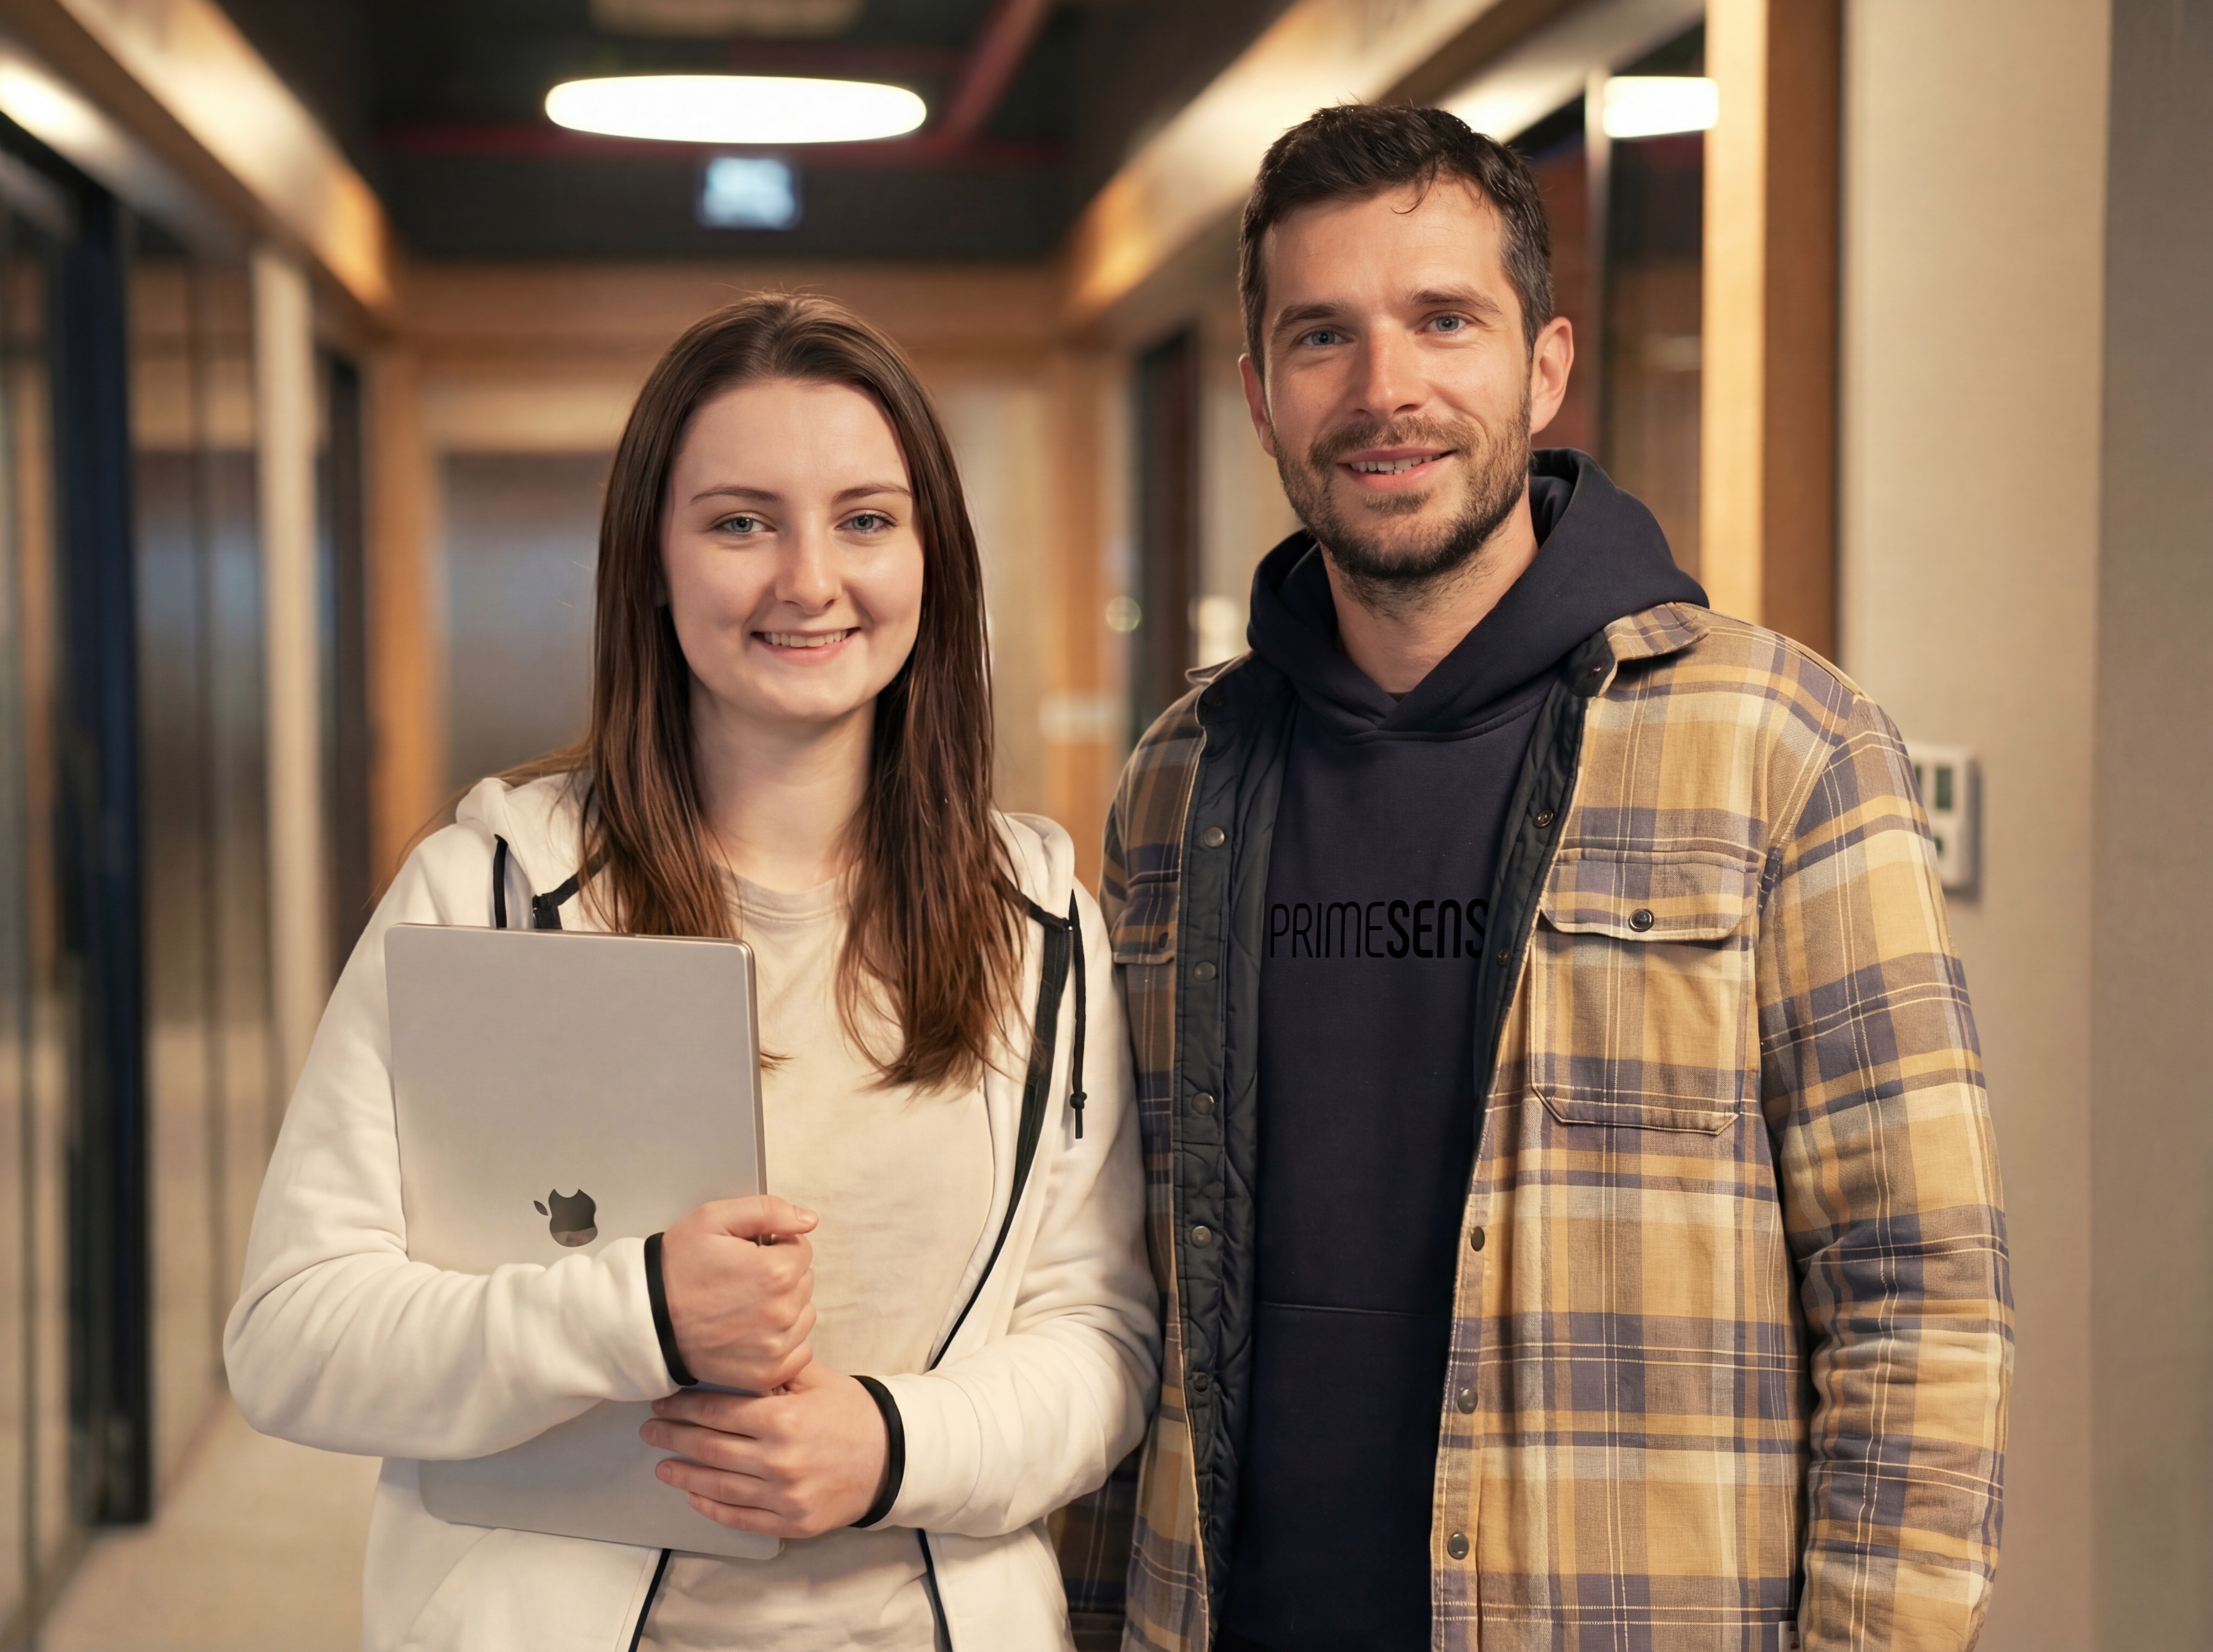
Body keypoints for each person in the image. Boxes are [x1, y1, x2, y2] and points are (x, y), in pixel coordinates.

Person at [1100, 105, 2012, 1652]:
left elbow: (1915, 1289)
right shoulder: (1180, 783)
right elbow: (1116, 1277)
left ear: (1544, 364)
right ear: (1259, 396)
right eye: (1323, 336)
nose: (1385, 389)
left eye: (1443, 320)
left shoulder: (1779, 747)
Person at [225, 294, 1157, 1652]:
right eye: (739, 521)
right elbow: (296, 1339)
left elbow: (1103, 1339)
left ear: (932, 561)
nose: (807, 580)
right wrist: (637, 1309)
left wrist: (891, 1447)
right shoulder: (492, 894)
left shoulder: (1042, 926)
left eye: (864, 518)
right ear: (651, 565)